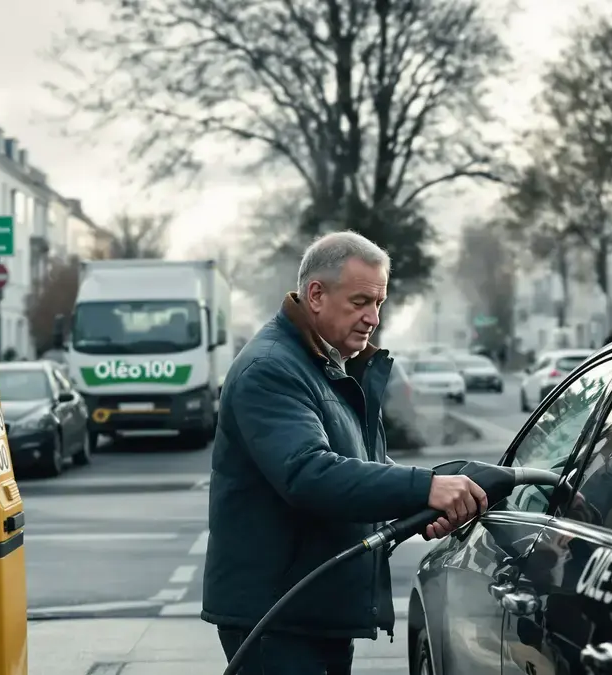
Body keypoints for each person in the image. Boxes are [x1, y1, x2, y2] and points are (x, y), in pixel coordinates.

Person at [202, 231, 490, 674]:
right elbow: (309, 473)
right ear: (315, 294)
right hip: (278, 619)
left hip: (310, 610)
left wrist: (425, 499)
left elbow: (364, 471)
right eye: (360, 302)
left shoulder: (324, 365)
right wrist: (427, 487)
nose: (373, 318)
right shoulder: (272, 368)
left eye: (379, 303)